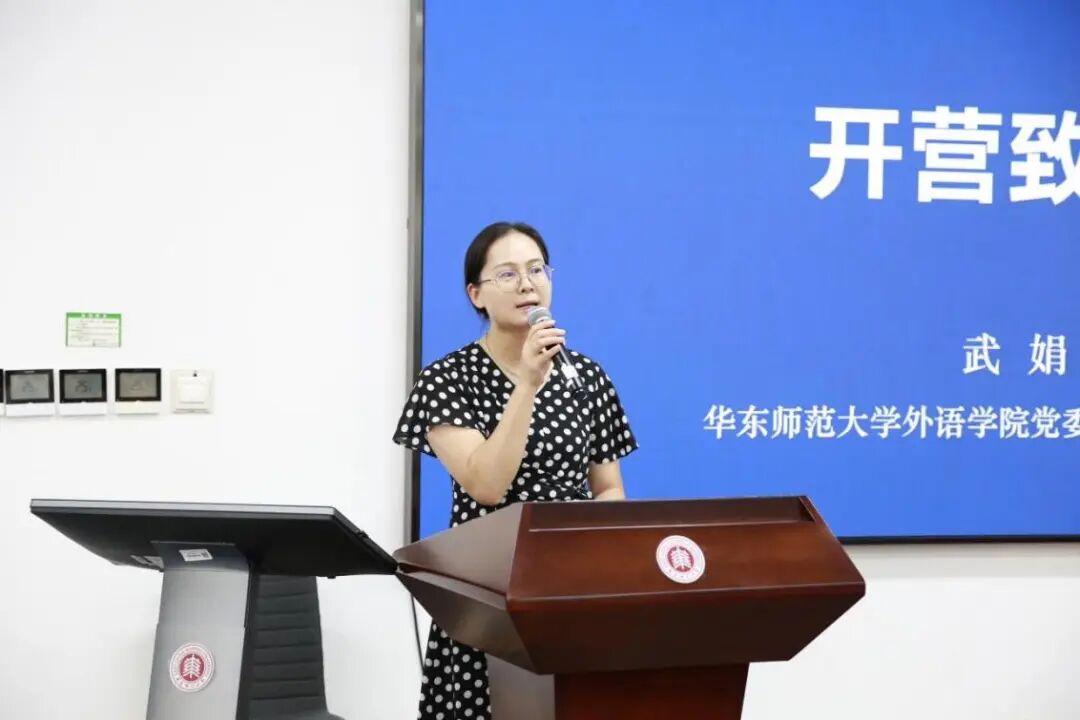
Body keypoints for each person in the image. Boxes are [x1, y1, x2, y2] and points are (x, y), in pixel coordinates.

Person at [392, 221, 639, 720]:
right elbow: (486, 485)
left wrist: (590, 558)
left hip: (570, 590)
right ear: (476, 294)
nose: (527, 284)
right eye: (507, 274)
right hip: (488, 597)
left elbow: (609, 488)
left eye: (536, 270)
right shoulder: (446, 380)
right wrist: (527, 382)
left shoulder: (586, 376)